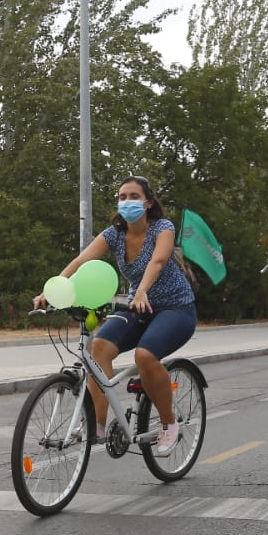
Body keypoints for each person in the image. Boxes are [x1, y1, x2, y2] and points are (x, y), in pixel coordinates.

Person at [33, 175, 197, 457]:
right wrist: (53, 288)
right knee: (98, 349)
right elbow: (80, 261)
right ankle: (97, 425)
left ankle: (169, 423)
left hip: (175, 308)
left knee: (145, 356)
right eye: (122, 197)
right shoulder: (114, 234)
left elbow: (158, 260)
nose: (127, 202)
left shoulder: (162, 227)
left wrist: (142, 290)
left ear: (148, 203)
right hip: (136, 307)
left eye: (134, 197)